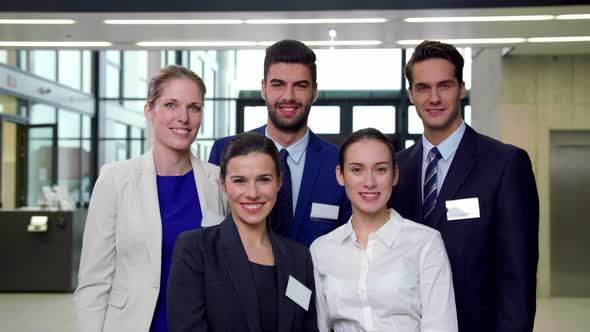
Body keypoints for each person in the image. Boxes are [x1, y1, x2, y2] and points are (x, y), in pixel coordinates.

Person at [390, 40, 539, 332]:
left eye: (444, 85)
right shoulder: (396, 169)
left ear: (462, 88)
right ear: (411, 95)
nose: (434, 97)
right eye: (423, 88)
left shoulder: (505, 164)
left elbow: (517, 278)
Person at [75, 65, 228, 332]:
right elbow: (94, 282)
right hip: (133, 324)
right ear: (149, 111)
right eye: (171, 105)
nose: (184, 117)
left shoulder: (218, 182)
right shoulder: (115, 180)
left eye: (194, 107)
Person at [167, 132, 318, 332]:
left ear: (279, 183)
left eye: (264, 179)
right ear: (223, 184)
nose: (253, 193)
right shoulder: (196, 249)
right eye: (240, 181)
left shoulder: (299, 258)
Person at [311, 128, 457, 332]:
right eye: (357, 170)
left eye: (380, 169)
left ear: (394, 174)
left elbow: (441, 326)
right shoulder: (321, 250)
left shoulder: (426, 243)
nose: (369, 182)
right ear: (340, 175)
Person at [208, 39, 351, 247]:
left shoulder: (339, 162)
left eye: (300, 86)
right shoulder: (225, 151)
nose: (288, 96)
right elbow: (213, 235)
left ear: (315, 91)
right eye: (278, 84)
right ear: (263, 88)